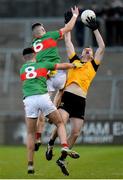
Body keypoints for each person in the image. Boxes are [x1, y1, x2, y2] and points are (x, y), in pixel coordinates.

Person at [46, 14, 105, 175]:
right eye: (86, 49)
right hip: (68, 97)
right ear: (82, 53)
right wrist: (67, 24)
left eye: (90, 50)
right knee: (61, 122)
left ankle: (62, 159)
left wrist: (95, 30)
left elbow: (102, 47)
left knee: (76, 132)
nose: (88, 49)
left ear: (92, 56)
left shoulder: (93, 66)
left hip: (81, 101)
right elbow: (67, 41)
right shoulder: (74, 61)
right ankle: (50, 143)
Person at [20, 47, 82, 174]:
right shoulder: (43, 64)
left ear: (23, 58)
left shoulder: (22, 69)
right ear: (35, 55)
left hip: (29, 100)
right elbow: (62, 65)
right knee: (59, 123)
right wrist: (73, 64)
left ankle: (30, 165)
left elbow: (32, 79)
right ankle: (64, 146)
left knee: (30, 133)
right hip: (43, 97)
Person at [31, 6, 79, 151]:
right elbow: (69, 28)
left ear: (34, 36)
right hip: (57, 71)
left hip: (45, 75)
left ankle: (38, 137)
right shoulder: (50, 35)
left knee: (42, 108)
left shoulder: (34, 45)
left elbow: (34, 62)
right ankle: (56, 110)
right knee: (64, 89)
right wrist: (75, 16)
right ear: (43, 31)